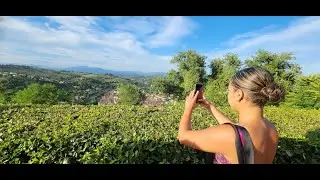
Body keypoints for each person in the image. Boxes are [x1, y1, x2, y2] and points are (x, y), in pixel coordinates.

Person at [177, 67, 285, 164]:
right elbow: (240, 136)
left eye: (228, 90)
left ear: (239, 94)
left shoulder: (231, 135)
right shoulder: (271, 128)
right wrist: (210, 107)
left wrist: (188, 108)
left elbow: (183, 137)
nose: (227, 94)